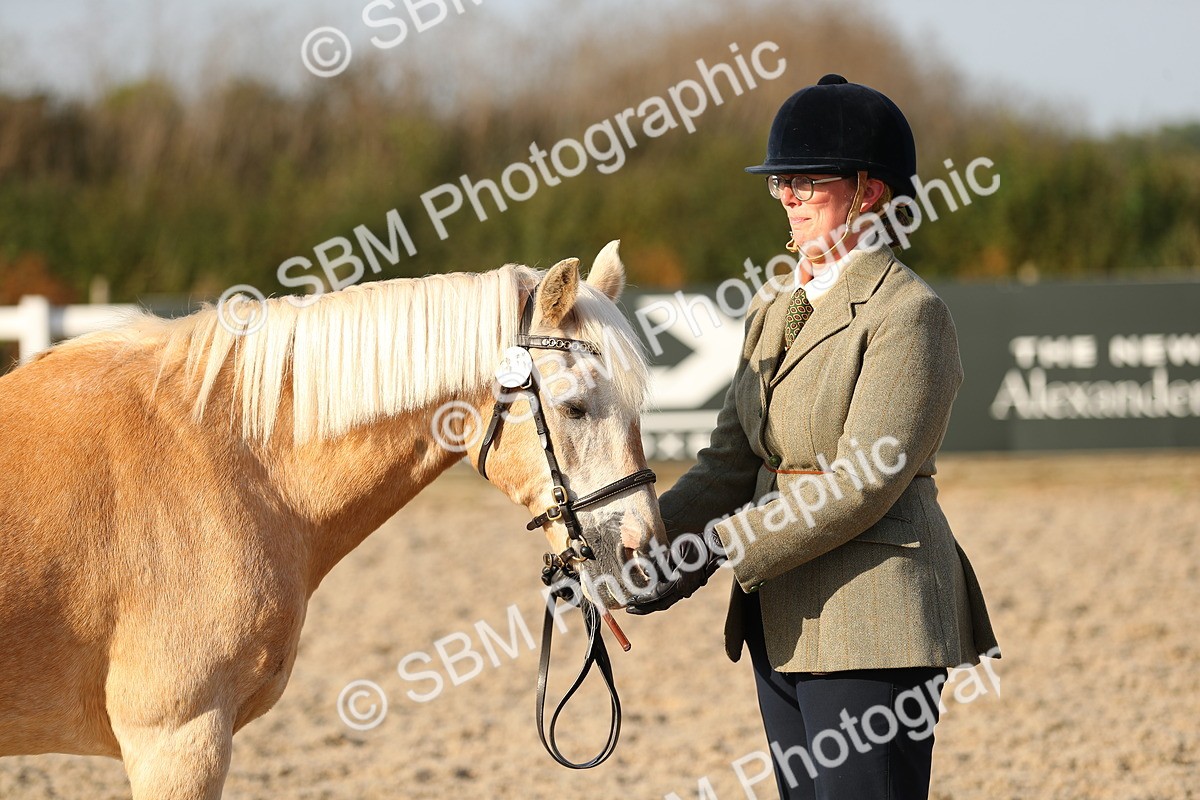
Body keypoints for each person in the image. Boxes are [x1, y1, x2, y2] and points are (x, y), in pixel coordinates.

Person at [626, 74, 1001, 800]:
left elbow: (862, 482)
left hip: (871, 615)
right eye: (779, 181)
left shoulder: (908, 314)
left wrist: (715, 549)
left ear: (869, 193)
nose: (786, 194)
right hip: (780, 613)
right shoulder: (773, 305)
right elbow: (730, 463)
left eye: (804, 180)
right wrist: (642, 542)